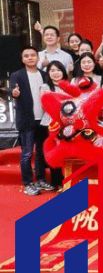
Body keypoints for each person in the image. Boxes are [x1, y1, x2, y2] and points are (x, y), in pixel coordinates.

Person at [9, 47, 52, 196]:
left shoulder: (44, 75)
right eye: (26, 56)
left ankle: (40, 179)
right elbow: (12, 90)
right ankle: (28, 183)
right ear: (22, 59)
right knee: (27, 153)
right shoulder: (17, 75)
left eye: (33, 55)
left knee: (41, 152)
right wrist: (14, 93)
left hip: (43, 119)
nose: (30, 58)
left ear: (37, 58)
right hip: (27, 120)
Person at [40, 60, 68, 189]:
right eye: (52, 70)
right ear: (48, 73)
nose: (55, 73)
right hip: (50, 123)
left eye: (58, 70)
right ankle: (56, 182)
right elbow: (45, 105)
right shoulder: (45, 87)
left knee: (65, 152)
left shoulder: (68, 86)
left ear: (63, 72)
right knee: (54, 152)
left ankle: (68, 180)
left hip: (66, 124)